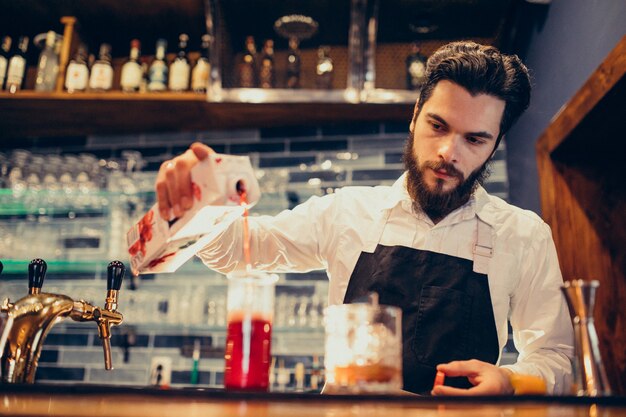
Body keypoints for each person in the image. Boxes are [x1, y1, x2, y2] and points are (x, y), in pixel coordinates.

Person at [155, 41, 573, 396]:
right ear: (414, 116)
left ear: (495, 143)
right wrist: (195, 199)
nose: (449, 151)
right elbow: (239, 252)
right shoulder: (346, 212)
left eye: (475, 138)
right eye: (438, 125)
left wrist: (510, 380)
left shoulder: (523, 235)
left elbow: (558, 359)